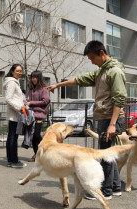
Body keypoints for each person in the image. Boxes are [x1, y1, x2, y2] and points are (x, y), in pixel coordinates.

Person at [47, 40, 127, 200]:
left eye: (92, 58)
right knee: (108, 152)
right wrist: (59, 84)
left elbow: (119, 99)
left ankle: (105, 191)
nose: (91, 61)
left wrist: (112, 124)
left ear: (102, 53)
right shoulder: (101, 71)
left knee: (105, 155)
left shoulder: (115, 72)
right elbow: (80, 79)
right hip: (105, 117)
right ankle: (116, 187)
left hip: (110, 118)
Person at [3, 64, 27, 168]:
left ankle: (11, 160)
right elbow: (8, 99)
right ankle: (13, 161)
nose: (19, 73)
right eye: (17, 71)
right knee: (13, 137)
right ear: (12, 71)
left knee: (12, 137)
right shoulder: (12, 82)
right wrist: (20, 108)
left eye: (21, 71)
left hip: (15, 113)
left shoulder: (14, 82)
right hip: (15, 114)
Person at [26, 70, 50, 162]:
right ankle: (37, 155)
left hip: (39, 115)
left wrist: (31, 103)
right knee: (33, 137)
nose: (33, 79)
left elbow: (45, 101)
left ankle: (47, 149)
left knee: (36, 135)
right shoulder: (32, 90)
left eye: (35, 77)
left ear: (39, 78)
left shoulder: (43, 89)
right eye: (32, 77)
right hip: (31, 115)